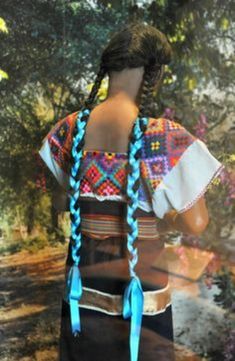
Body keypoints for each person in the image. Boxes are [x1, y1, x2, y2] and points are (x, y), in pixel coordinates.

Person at [38, 22, 224, 361]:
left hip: (83, 281)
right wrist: (164, 220)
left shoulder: (69, 131)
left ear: (108, 68)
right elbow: (197, 223)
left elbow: (63, 200)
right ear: (154, 72)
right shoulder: (163, 140)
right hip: (140, 285)